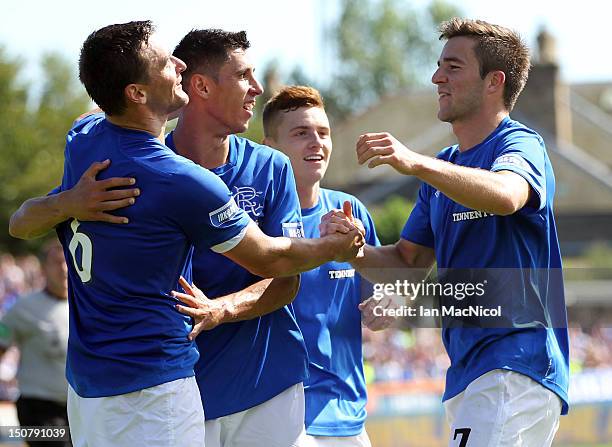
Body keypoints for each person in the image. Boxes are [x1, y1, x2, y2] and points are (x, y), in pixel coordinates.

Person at [9, 21, 363, 447]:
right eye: (165, 62)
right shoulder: (179, 178)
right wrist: (333, 247)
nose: (256, 87)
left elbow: (21, 221)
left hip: (101, 388)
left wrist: (67, 202)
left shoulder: (85, 140)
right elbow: (272, 258)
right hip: (155, 387)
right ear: (140, 93)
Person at [322, 18, 569, 446]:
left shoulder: (520, 144)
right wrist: (352, 251)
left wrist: (416, 163)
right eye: (439, 66)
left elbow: (508, 194)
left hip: (515, 363)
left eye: (453, 67)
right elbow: (407, 262)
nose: (437, 77)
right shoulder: (447, 163)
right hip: (471, 372)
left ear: (494, 82)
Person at [262, 85, 394, 447]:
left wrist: (387, 304)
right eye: (301, 133)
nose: (315, 142)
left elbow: (389, 289)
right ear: (271, 147)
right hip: (282, 417)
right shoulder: (256, 220)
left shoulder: (352, 211)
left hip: (349, 416)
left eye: (323, 132)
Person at [0, 240, 71, 447]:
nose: (64, 269)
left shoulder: (85, 308)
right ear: (43, 269)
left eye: (68, 262)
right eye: (57, 263)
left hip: (78, 406)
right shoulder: (23, 308)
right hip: (38, 409)